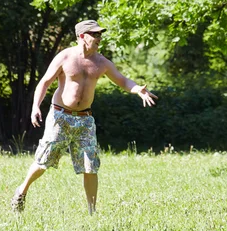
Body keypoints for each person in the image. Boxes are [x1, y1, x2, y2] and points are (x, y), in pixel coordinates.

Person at [11, 20, 157, 215]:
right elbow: (45, 82)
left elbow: (122, 80)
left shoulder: (101, 62)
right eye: (94, 34)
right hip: (60, 116)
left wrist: (138, 89)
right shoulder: (65, 57)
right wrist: (35, 107)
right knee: (44, 160)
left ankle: (92, 212)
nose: (99, 38)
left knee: (90, 166)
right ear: (81, 36)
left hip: (85, 119)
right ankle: (22, 190)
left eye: (100, 35)